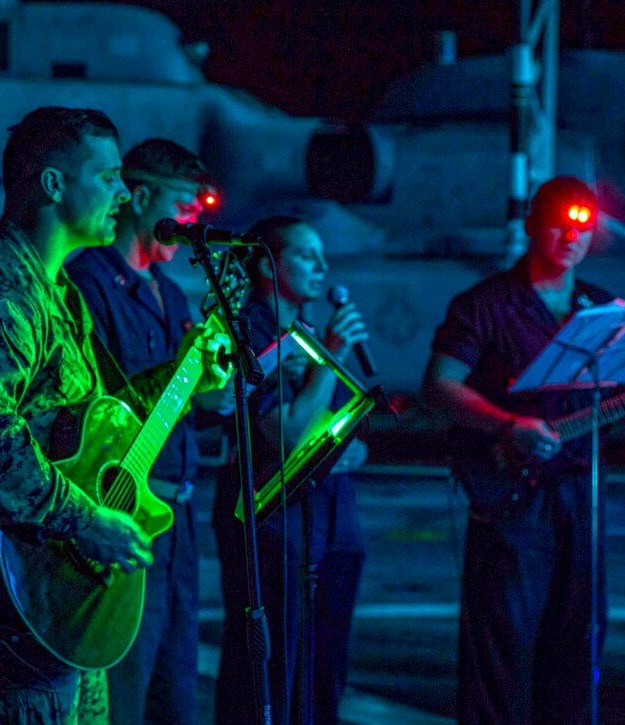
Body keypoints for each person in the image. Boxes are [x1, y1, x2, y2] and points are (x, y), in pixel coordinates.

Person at [0, 107, 229, 723]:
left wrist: (182, 380)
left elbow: (95, 425)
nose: (125, 192)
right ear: (53, 185)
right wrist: (84, 521)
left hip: (60, 600)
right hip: (10, 603)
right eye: (108, 178)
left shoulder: (59, 294)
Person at [422, 176, 625, 724]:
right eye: (558, 222)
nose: (570, 236)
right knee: (502, 638)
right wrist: (508, 426)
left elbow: (615, 404)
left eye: (582, 226)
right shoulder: (486, 304)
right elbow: (438, 386)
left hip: (579, 490)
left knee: (578, 635)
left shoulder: (601, 308)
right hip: (510, 495)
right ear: (531, 225)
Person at [65, 138, 221, 724]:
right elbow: (101, 409)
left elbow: (191, 403)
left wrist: (216, 387)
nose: (192, 220)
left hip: (176, 512)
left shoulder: (174, 291)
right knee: (126, 682)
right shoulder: (90, 283)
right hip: (122, 505)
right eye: (184, 203)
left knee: (176, 683)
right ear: (141, 195)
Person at [212, 215, 368, 725]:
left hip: (330, 514)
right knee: (274, 661)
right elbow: (285, 436)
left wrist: (349, 447)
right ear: (265, 263)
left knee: (322, 664)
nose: (322, 267)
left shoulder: (303, 332)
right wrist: (332, 357)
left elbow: (331, 426)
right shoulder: (255, 332)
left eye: (322, 255)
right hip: (278, 516)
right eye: (305, 254)